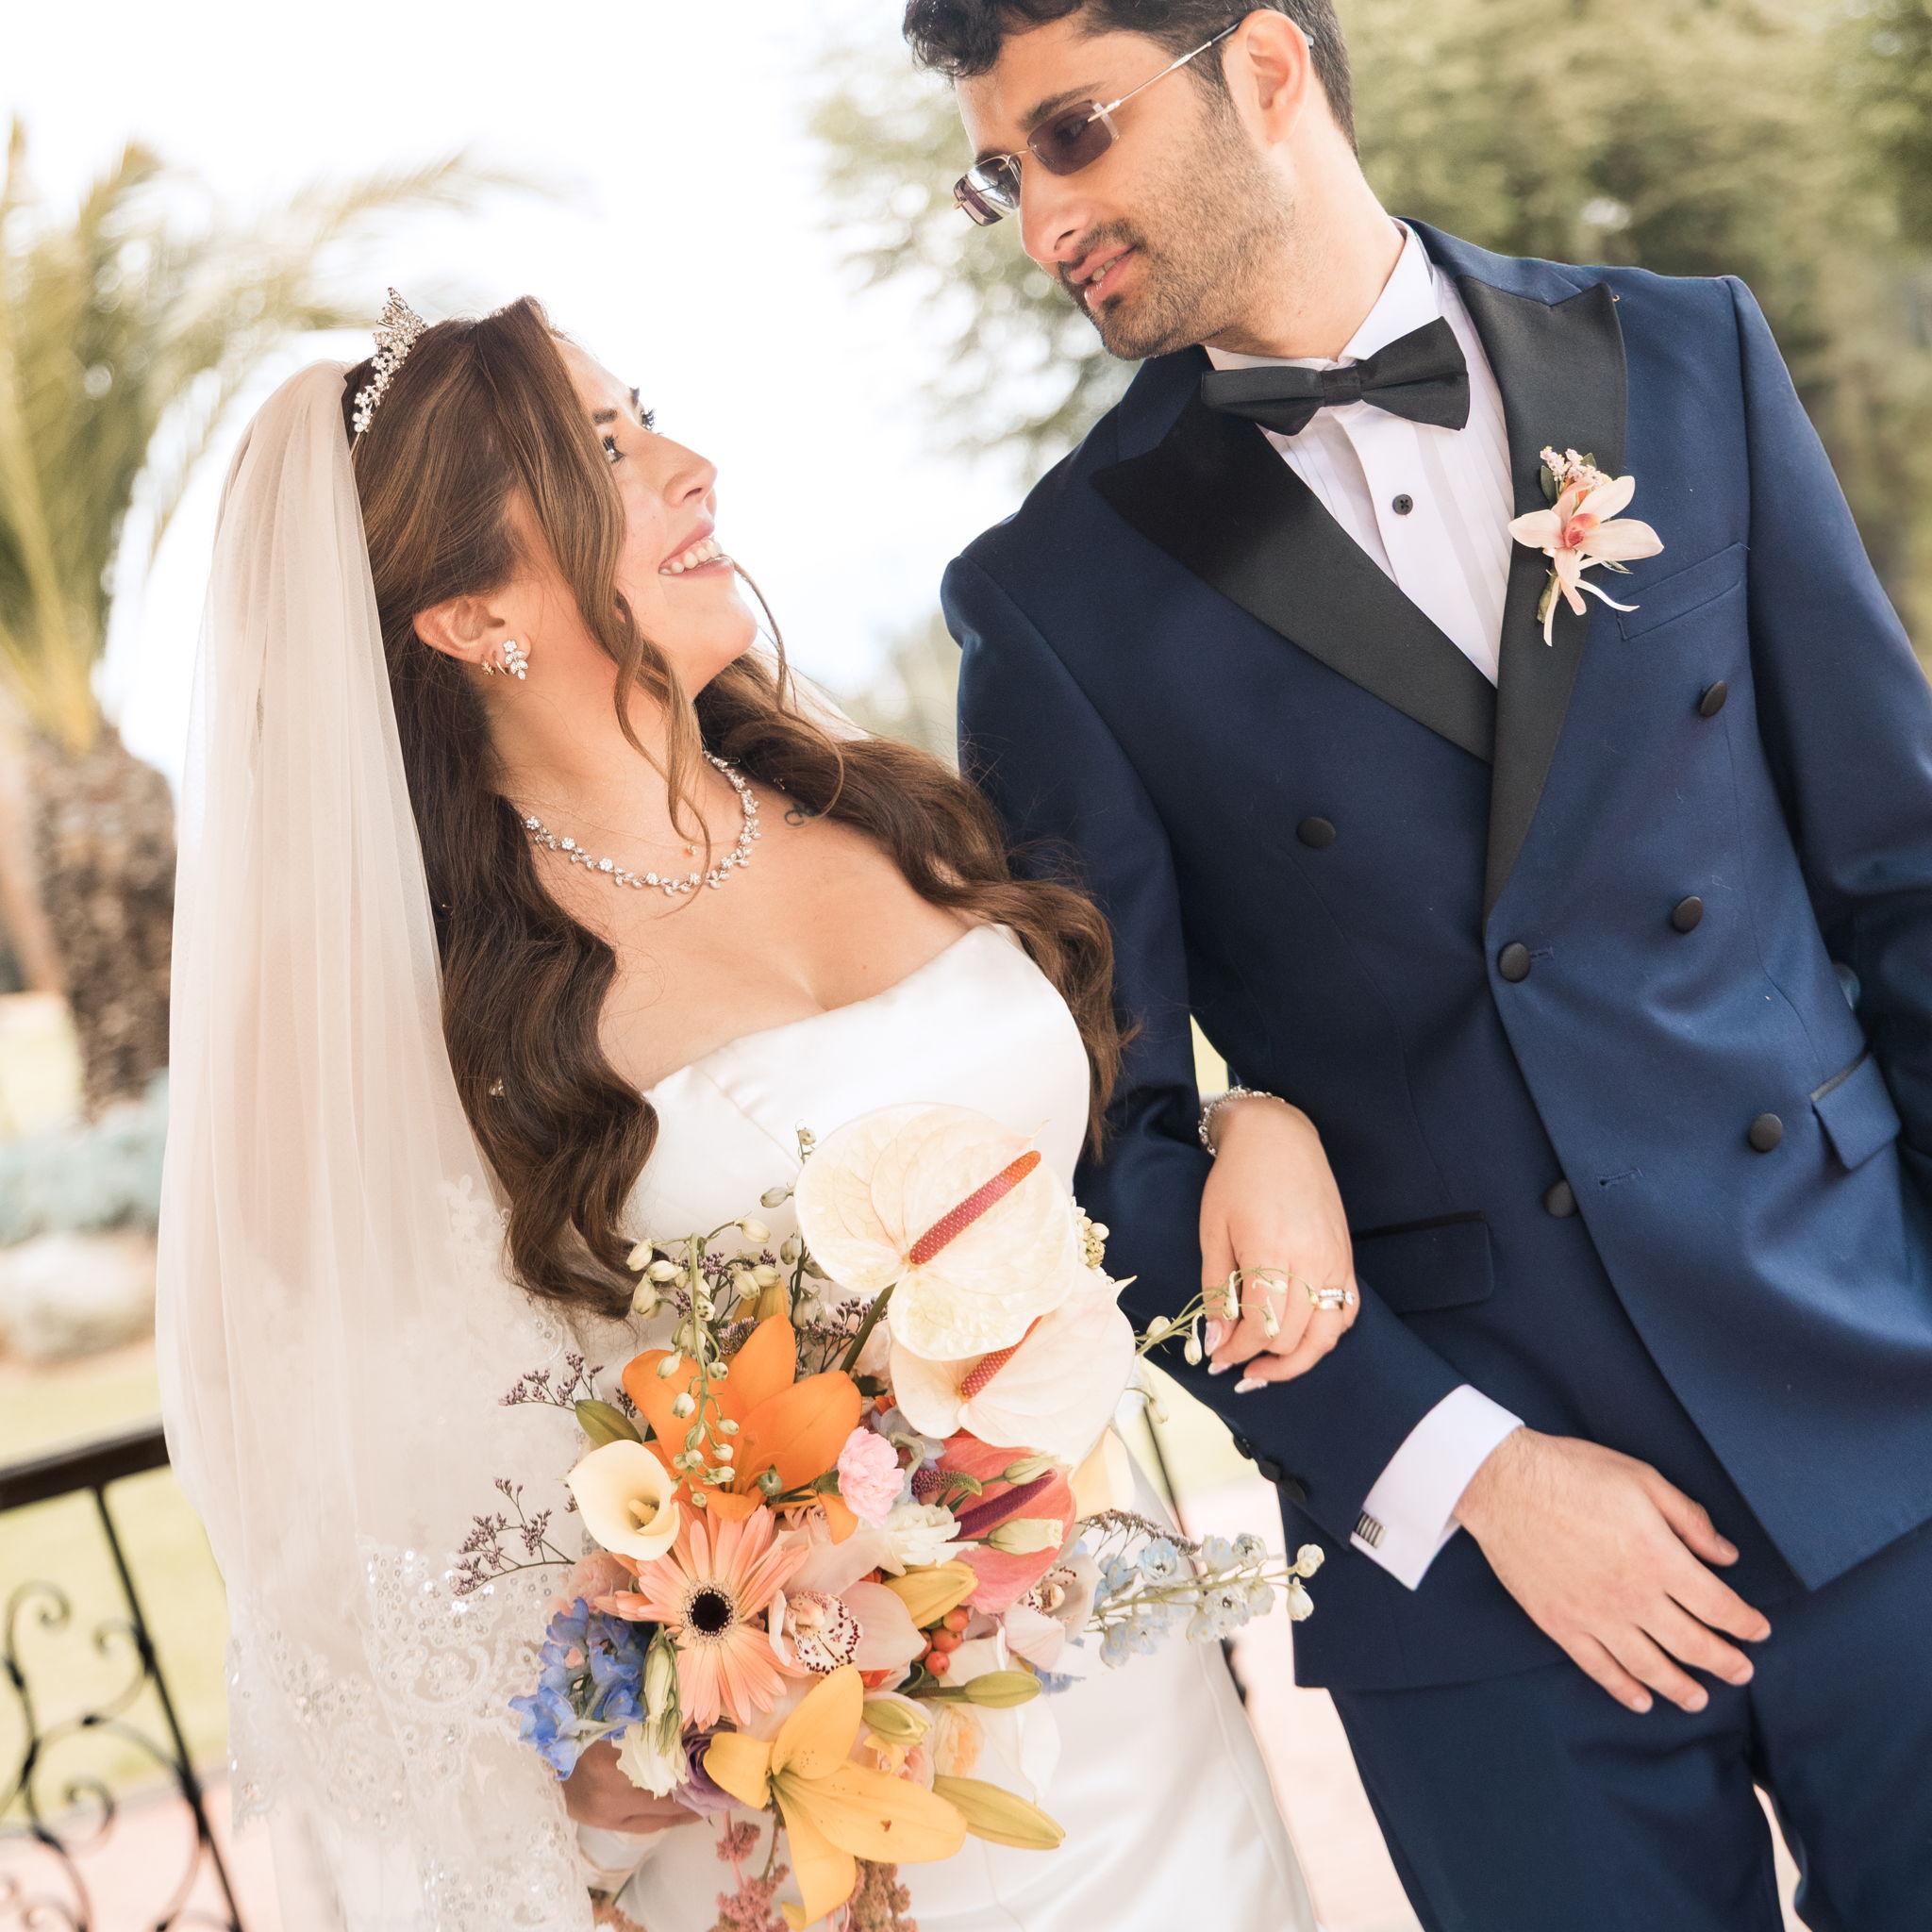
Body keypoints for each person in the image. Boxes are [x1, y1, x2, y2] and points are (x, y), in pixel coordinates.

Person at [908, 3, 1932, 1926]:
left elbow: (1898, 876)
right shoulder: (1052, 599)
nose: (1042, 221)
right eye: (1000, 177)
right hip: (1478, 1582)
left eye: (1073, 135)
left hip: (1877, 1420)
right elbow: (1101, 1153)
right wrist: (1466, 1472)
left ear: (1264, 67)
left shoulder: (1682, 354)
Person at [156, 294, 1322, 1930]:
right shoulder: (438, 1013)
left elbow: (1095, 1145)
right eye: (606, 454)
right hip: (815, 1831)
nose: (691, 467)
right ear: (472, 612)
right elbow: (340, 1495)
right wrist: (592, 1766)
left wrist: (1262, 1122)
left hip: (1143, 1723)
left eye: (650, 418)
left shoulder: (879, 805)